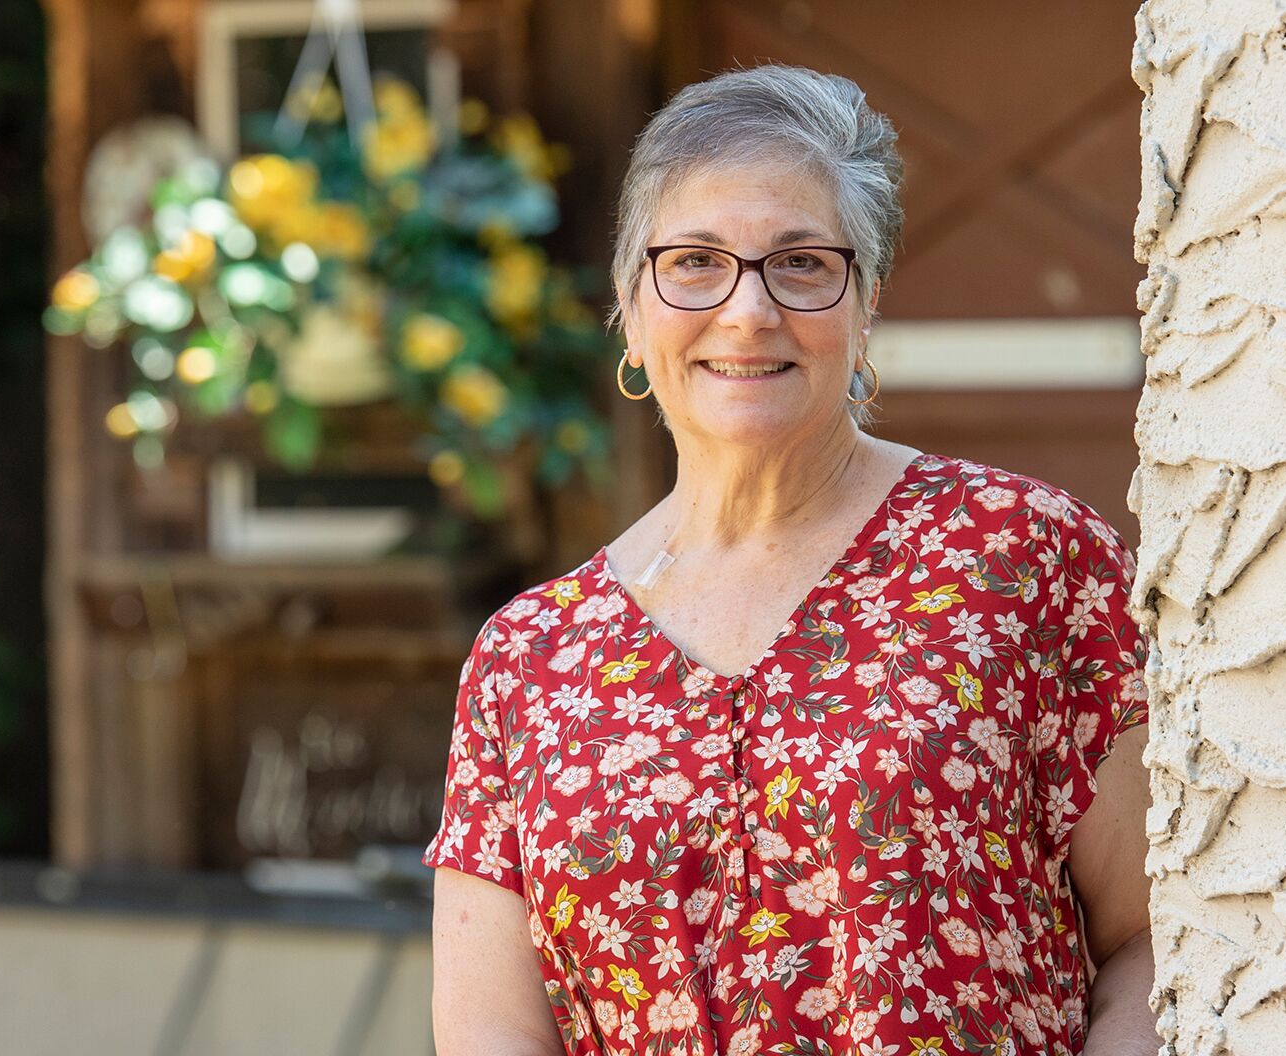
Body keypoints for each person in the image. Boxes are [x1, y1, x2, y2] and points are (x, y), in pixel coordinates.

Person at [425, 64, 1155, 1056]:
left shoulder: (1024, 559)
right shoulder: (529, 660)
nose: (746, 311)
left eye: (802, 263)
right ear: (632, 310)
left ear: (867, 306)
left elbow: (1156, 939)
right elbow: (492, 1036)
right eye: (694, 261)